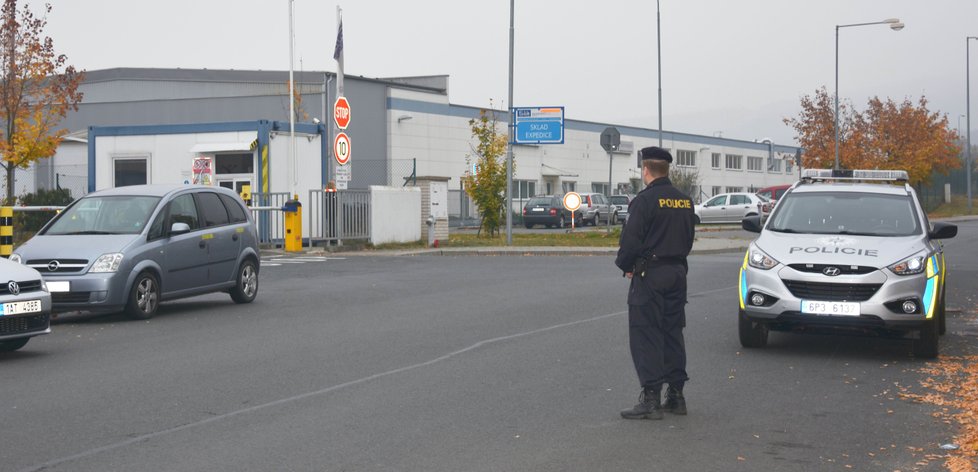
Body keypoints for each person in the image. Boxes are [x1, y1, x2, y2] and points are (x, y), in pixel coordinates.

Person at [615, 146, 695, 420]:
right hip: (677, 274)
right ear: (666, 169)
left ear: (645, 170)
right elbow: (688, 239)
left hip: (650, 276)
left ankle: (651, 399)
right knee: (672, 333)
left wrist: (627, 266)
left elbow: (630, 241)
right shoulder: (684, 200)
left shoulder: (644, 201)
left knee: (646, 334)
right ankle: (676, 396)